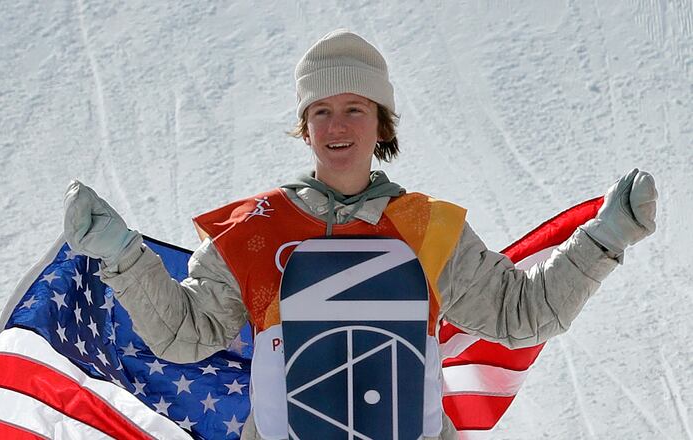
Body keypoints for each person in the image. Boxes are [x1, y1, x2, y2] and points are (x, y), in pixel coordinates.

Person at [62, 29, 657, 440]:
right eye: (321, 110)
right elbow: (185, 334)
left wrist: (605, 239)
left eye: (356, 108)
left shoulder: (426, 228)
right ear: (304, 127)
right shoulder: (257, 230)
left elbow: (526, 314)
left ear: (381, 124)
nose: (338, 125)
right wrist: (124, 258)